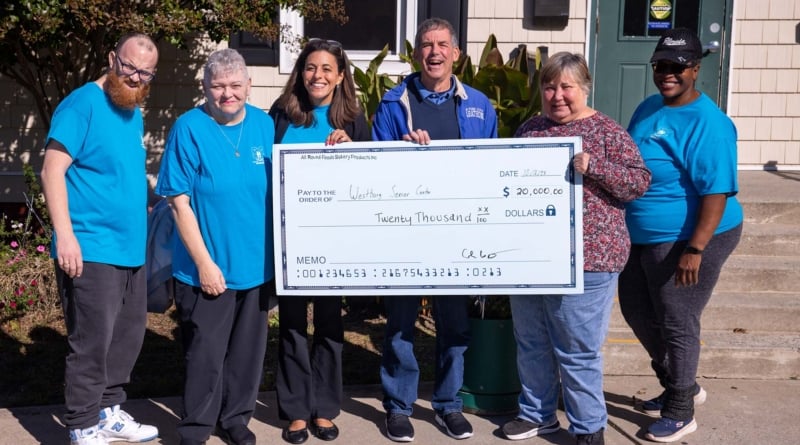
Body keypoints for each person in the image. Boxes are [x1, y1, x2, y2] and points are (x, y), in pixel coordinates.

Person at [503, 52, 651, 445]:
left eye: (566, 87)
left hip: (589, 260)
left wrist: (596, 166)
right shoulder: (530, 130)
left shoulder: (607, 131)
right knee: (531, 342)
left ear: (583, 88)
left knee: (577, 350)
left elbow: (638, 183)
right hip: (532, 258)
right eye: (549, 87)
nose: (557, 95)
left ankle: (588, 426)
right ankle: (537, 414)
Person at [371, 17, 498, 442]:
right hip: (406, 235)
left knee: (455, 325)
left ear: (456, 53)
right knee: (401, 325)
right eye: (426, 45)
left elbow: (493, 171)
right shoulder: (393, 105)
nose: (434, 52)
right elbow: (375, 172)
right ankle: (399, 407)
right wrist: (402, 152)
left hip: (458, 237)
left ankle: (448, 405)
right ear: (416, 53)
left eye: (442, 44)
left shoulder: (479, 104)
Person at [618, 28, 743, 443]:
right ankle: (680, 383)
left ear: (695, 69)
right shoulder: (648, 108)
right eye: (660, 66)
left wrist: (696, 248)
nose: (666, 73)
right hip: (643, 235)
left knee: (676, 316)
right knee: (636, 308)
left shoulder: (710, 124)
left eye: (676, 66)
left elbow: (717, 191)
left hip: (693, 234)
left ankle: (680, 409)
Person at [39, 32, 160, 445]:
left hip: (129, 247)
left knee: (127, 337)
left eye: (145, 72)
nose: (135, 77)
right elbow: (52, 170)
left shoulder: (132, 109)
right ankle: (81, 425)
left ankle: (108, 412)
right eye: (128, 67)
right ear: (112, 59)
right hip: (90, 246)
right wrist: (66, 236)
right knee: (91, 343)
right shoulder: (81, 104)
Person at [154, 48, 275, 445]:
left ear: (248, 86)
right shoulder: (188, 128)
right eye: (218, 86)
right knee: (205, 354)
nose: (228, 94)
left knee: (247, 353)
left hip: (257, 265)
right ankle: (197, 427)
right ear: (204, 88)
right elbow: (178, 201)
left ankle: (236, 418)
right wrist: (205, 263)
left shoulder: (264, 125)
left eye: (235, 85)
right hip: (206, 267)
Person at [268, 38, 370, 444]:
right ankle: (295, 410)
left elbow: (370, 178)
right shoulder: (281, 115)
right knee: (291, 325)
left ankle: (325, 408)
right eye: (311, 68)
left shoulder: (354, 119)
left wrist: (353, 149)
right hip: (291, 242)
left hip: (335, 244)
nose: (318, 76)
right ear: (300, 72)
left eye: (327, 68)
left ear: (341, 75)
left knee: (329, 324)